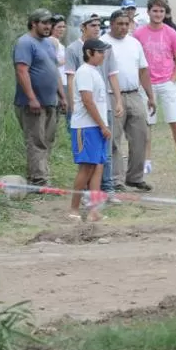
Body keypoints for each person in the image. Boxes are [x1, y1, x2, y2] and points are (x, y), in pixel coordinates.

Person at [65, 14, 123, 196]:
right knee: (87, 164)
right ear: (83, 27)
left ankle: (101, 195)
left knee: (100, 160)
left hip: (100, 112)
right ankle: (80, 200)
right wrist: (74, 108)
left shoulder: (100, 60)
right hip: (86, 119)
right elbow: (83, 95)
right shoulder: (77, 55)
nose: (97, 28)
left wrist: (118, 100)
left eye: (99, 25)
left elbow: (112, 76)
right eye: (93, 25)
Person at [134, 0, 176, 173]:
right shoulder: (139, 34)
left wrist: (173, 80)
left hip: (167, 82)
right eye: (155, 11)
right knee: (147, 124)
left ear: (165, 13)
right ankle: (147, 161)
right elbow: (135, 60)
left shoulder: (170, 32)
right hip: (146, 85)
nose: (158, 14)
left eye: (161, 11)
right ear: (149, 12)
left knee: (174, 121)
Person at [102, 10, 156, 191]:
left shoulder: (134, 43)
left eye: (126, 24)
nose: (123, 27)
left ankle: (135, 176)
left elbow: (143, 70)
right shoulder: (103, 43)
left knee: (141, 135)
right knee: (114, 138)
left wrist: (150, 95)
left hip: (134, 94)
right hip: (111, 95)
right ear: (111, 24)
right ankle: (116, 179)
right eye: (119, 24)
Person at [13, 8, 67, 186]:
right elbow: (22, 71)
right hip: (33, 104)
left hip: (50, 101)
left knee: (47, 140)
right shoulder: (25, 43)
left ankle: (41, 174)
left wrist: (62, 96)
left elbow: (54, 71)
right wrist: (31, 98)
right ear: (33, 23)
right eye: (44, 23)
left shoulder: (49, 43)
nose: (48, 26)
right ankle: (38, 180)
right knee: (36, 140)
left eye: (50, 23)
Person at [69, 38, 112, 223]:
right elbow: (87, 101)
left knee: (97, 167)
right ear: (89, 52)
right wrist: (102, 125)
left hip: (96, 126)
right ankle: (73, 209)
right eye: (100, 52)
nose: (103, 55)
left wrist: (103, 125)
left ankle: (94, 210)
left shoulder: (95, 71)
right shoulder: (84, 72)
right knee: (86, 168)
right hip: (86, 127)